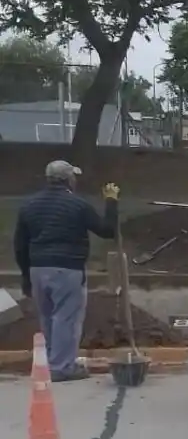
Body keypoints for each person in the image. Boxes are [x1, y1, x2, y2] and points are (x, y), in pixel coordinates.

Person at [14, 160, 120, 382]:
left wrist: (26, 277)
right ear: (69, 179)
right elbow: (107, 230)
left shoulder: (29, 206)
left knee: (48, 317)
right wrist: (111, 201)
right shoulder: (77, 205)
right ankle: (62, 368)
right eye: (74, 177)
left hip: (37, 268)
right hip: (67, 269)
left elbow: (20, 244)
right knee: (66, 318)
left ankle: (54, 362)